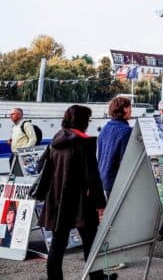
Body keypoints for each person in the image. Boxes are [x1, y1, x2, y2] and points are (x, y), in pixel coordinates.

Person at [33, 105, 109, 280]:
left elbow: (45, 169)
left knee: (57, 245)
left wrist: (41, 194)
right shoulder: (85, 143)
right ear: (83, 121)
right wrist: (100, 204)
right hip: (82, 200)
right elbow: (92, 176)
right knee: (90, 241)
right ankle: (97, 277)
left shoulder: (55, 141)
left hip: (57, 199)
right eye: (88, 120)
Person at [97, 97, 133, 198]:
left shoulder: (104, 129)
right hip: (116, 181)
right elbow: (125, 161)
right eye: (130, 107)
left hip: (104, 178)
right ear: (125, 109)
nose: (131, 110)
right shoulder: (126, 131)